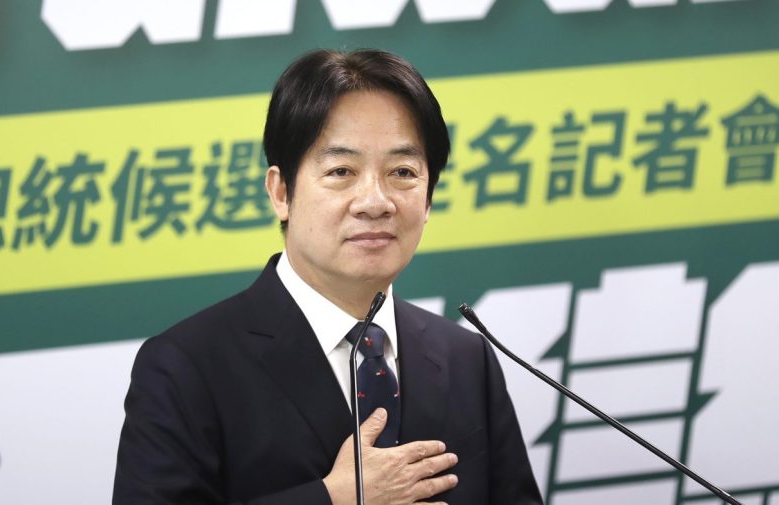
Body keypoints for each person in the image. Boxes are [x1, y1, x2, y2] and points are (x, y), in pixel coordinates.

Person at [113, 48, 543, 505]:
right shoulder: (186, 366)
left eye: (403, 172)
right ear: (282, 192)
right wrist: (333, 499)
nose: (375, 202)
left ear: (430, 196)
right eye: (342, 171)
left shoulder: (465, 356)